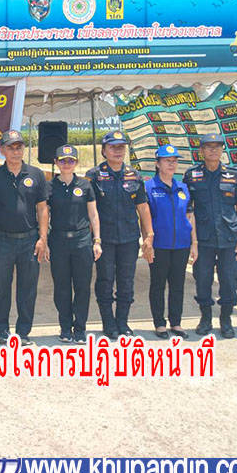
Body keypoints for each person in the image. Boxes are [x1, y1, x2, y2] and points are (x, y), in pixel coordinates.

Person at [86, 131, 154, 339]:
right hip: (104, 238)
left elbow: (143, 207)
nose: (117, 151)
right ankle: (108, 322)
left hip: (129, 238)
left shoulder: (135, 176)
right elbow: (89, 210)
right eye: (113, 147)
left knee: (126, 281)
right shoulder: (94, 175)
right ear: (103, 151)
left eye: (121, 147)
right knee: (105, 281)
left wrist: (148, 236)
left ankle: (122, 322)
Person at [0, 129, 49, 346]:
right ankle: (2, 331)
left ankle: (23, 332)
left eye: (19, 147)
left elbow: (42, 208)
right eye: (10, 147)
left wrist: (43, 238)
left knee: (27, 288)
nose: (15, 151)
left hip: (30, 241)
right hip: (2, 241)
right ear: (2, 150)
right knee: (1, 287)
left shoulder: (36, 174)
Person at [183, 133, 237, 338]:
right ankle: (205, 318)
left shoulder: (233, 175)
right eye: (208, 146)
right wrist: (192, 241)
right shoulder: (191, 175)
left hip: (229, 237)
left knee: (229, 280)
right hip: (203, 239)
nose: (213, 150)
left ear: (222, 150)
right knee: (202, 279)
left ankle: (226, 319)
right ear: (201, 151)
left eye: (217, 146)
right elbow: (188, 210)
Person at [47, 144, 102, 343]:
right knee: (61, 287)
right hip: (58, 240)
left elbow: (93, 215)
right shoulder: (50, 187)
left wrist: (97, 240)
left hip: (82, 241)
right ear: (56, 162)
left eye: (71, 160)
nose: (67, 164)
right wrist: (44, 240)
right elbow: (44, 214)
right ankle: (65, 327)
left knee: (82, 286)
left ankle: (79, 329)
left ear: (76, 163)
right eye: (63, 160)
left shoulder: (85, 186)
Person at [145, 144, 195, 339]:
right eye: (167, 161)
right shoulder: (149, 187)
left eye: (174, 161)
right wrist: (147, 243)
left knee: (178, 284)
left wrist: (194, 242)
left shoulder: (183, 187)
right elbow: (145, 217)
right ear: (157, 163)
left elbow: (190, 216)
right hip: (160, 244)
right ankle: (159, 323)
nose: (171, 164)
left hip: (181, 244)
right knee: (158, 284)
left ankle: (176, 322)